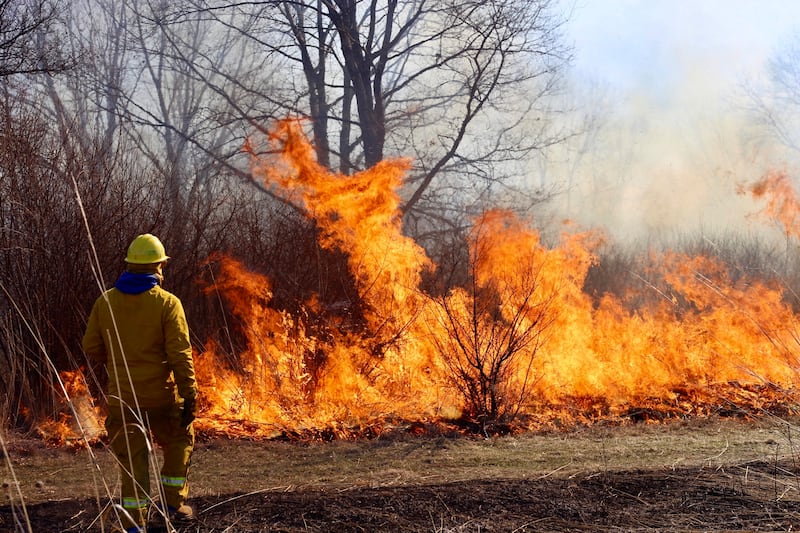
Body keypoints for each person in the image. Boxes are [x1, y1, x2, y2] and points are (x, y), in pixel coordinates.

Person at [83, 234, 198, 533]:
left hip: (122, 399)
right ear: (159, 267)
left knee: (132, 464)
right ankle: (174, 505)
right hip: (161, 398)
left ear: (129, 266)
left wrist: (117, 366)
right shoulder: (168, 304)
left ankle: (134, 525)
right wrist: (190, 396)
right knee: (179, 441)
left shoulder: (106, 300)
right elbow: (180, 355)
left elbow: (91, 345)